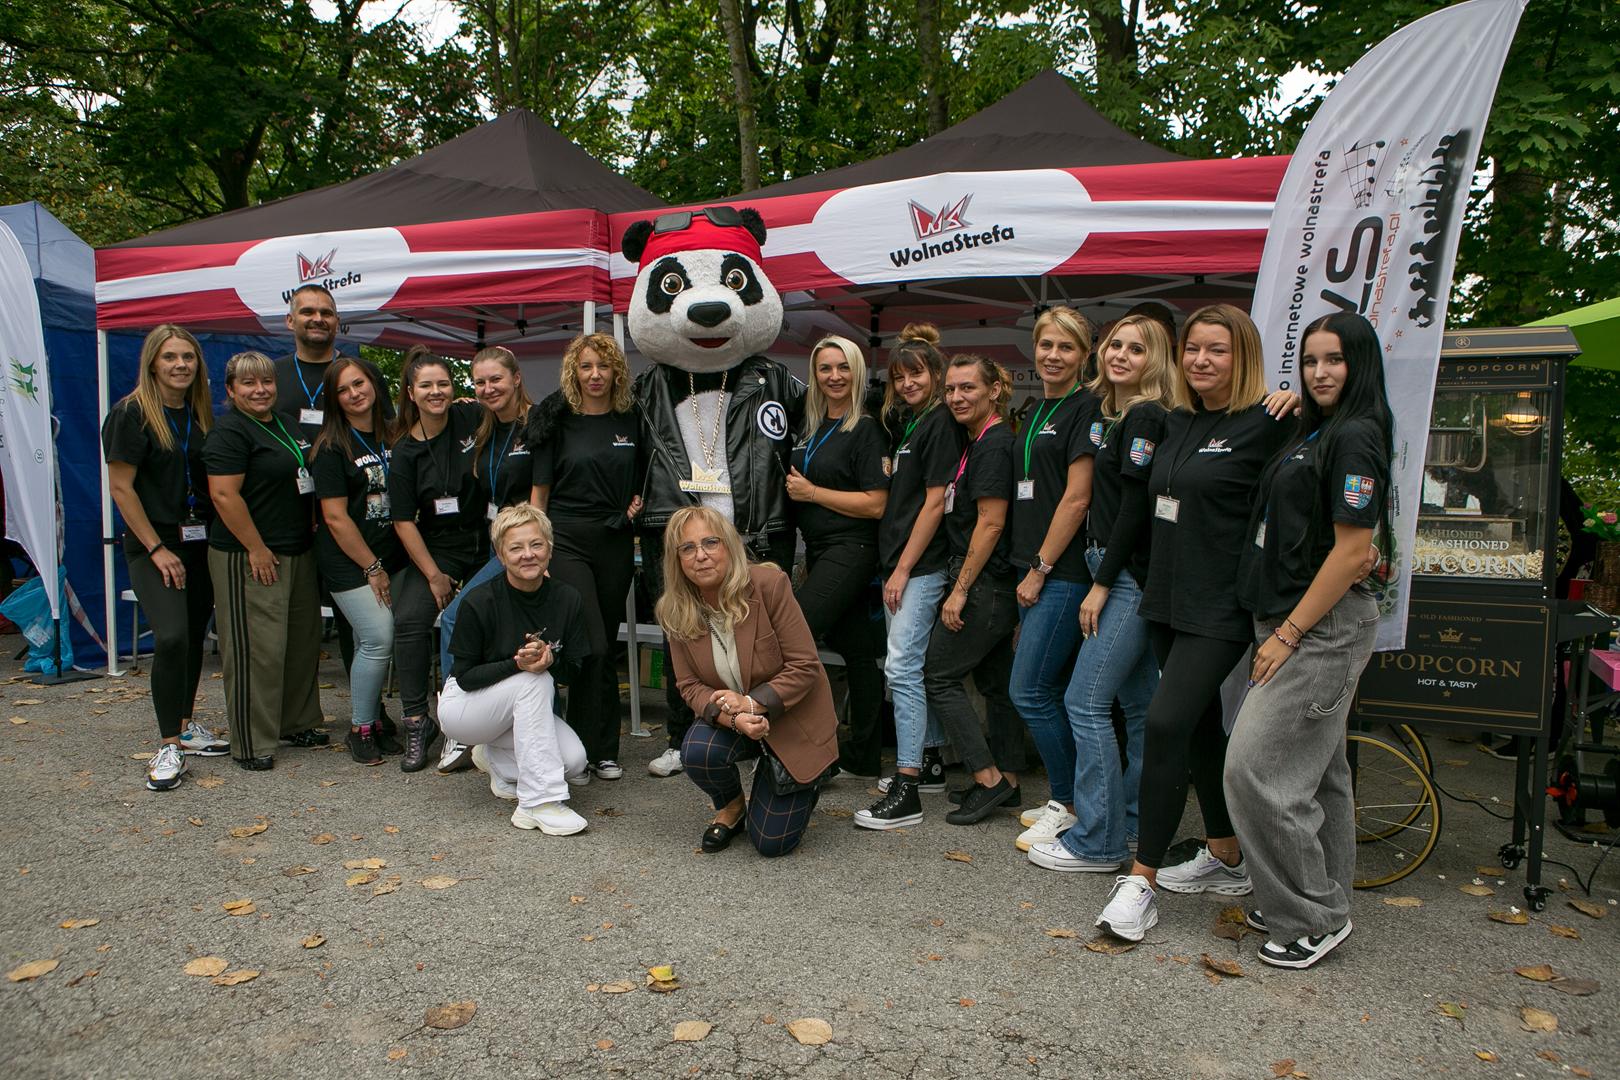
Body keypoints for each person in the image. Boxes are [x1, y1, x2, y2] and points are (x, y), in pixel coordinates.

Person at [1095, 304, 1296, 941]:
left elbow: (1315, 478)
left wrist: (1296, 402)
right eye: (1193, 349)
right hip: (1166, 598)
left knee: (1164, 723)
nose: (1202, 360)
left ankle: (1141, 881)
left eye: (1218, 350)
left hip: (1221, 606)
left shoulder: (1270, 422)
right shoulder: (1176, 420)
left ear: (1245, 357)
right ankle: (1226, 852)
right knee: (1202, 726)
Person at [1224, 312, 1392, 969]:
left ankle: (1310, 916)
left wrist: (1289, 634)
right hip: (1289, 618)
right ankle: (1315, 898)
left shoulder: (1356, 435)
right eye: (1312, 360)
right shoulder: (1321, 427)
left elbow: (1353, 553)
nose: (1320, 372)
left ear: (1360, 364)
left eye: (1335, 360)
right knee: (1321, 774)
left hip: (1317, 628)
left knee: (1255, 769)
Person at [1027, 314, 1172, 874]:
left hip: (1124, 573)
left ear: (1154, 360)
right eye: (1116, 345)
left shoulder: (1145, 414)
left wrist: (1103, 584)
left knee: (1084, 703)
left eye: (1136, 349)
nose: (1121, 356)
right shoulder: (1117, 414)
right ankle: (1129, 822)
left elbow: (1134, 510)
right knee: (1137, 707)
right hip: (1110, 565)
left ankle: (1097, 841)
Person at [660, 507, 837, 857]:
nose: (700, 555)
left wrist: (752, 704)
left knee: (771, 843)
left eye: (710, 543)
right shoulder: (675, 609)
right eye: (688, 548)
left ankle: (807, 778)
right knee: (697, 750)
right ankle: (732, 805)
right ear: (677, 560)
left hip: (792, 719)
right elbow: (689, 685)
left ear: (729, 546)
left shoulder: (769, 585)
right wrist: (734, 718)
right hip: (737, 719)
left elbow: (805, 666)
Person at [102, 324, 228, 790]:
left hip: (197, 542)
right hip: (154, 546)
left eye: (188, 357)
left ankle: (186, 724)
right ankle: (169, 744)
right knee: (172, 636)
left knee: (193, 635)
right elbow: (121, 488)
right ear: (152, 363)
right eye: (171, 357)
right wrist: (156, 548)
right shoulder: (130, 414)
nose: (180, 365)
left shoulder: (199, 415)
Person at [273, 283, 397, 747]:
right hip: (305, 527)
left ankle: (373, 718)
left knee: (362, 635)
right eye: (307, 311)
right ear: (291, 321)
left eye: (326, 311)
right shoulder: (276, 376)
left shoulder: (384, 422)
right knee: (309, 631)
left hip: (370, 537)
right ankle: (310, 721)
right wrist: (372, 566)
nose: (317, 318)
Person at [856, 326, 963, 829]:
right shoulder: (914, 422)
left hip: (919, 567)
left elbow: (936, 503)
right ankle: (931, 759)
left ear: (937, 374)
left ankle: (908, 784)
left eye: (916, 373)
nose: (906, 384)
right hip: (902, 563)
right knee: (910, 668)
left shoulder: (939, 423)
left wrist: (901, 569)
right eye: (899, 377)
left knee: (900, 669)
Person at [529, 334, 645, 783]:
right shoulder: (556, 420)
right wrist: (538, 550)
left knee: (605, 646)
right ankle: (580, 750)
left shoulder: (632, 419)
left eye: (604, 366)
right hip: (567, 542)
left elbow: (644, 477)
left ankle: (603, 752)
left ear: (617, 372)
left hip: (615, 542)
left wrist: (636, 503)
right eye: (586, 366)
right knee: (591, 645)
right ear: (573, 373)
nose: (595, 375)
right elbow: (539, 495)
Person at [1006, 307, 1100, 851]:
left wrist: (1040, 568)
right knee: (1050, 689)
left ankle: (1069, 803)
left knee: (1029, 691)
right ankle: (1068, 798)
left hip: (1060, 573)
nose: (1053, 356)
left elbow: (1078, 498)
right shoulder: (1040, 407)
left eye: (1066, 347)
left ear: (1084, 355)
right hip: (1033, 569)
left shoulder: (1086, 407)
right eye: (1046, 345)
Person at [203, 351, 325, 770]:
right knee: (258, 651)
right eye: (249, 383)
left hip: (297, 550)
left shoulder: (287, 424)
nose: (260, 390)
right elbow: (224, 495)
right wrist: (255, 547)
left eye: (267, 382)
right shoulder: (230, 432)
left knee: (299, 642)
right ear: (231, 389)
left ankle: (297, 721)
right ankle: (252, 740)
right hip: (250, 555)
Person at [438, 504, 592, 835]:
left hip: (513, 710)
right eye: (516, 548)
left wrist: (552, 662)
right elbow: (464, 677)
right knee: (532, 679)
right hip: (464, 709)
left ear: (550, 548)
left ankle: (495, 760)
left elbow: (575, 672)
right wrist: (517, 664)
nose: (528, 555)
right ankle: (539, 803)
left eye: (536, 545)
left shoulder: (568, 598)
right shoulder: (479, 600)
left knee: (573, 761)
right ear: (500, 554)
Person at [926, 354, 1027, 826]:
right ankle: (1008, 779)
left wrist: (960, 589)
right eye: (950, 389)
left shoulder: (992, 445)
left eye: (967, 388)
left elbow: (991, 523)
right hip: (996, 586)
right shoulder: (980, 442)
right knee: (995, 684)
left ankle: (987, 780)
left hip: (985, 586)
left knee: (938, 676)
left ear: (994, 390)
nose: (956, 397)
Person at [785, 335, 890, 778]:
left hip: (852, 549)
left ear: (857, 372)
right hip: (821, 549)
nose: (834, 376)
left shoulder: (865, 429)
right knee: (857, 652)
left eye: (843, 367)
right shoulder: (811, 425)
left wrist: (812, 493)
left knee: (794, 635)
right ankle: (862, 755)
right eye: (825, 368)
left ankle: (807, 749)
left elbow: (876, 504)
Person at [434, 346, 535, 772]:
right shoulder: (482, 425)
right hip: (493, 542)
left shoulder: (537, 424)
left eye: (496, 379)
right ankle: (473, 722)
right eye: (480, 382)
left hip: (523, 544)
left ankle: (458, 723)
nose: (488, 388)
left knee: (456, 617)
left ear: (516, 378)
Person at [388, 347, 487, 771]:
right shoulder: (404, 452)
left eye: (443, 384)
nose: (436, 392)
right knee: (409, 620)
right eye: (426, 385)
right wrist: (433, 575)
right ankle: (417, 720)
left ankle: (477, 716)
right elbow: (402, 521)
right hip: (437, 549)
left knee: (479, 618)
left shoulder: (471, 416)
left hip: (485, 540)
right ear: (411, 393)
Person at [311, 358, 407, 766]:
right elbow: (335, 518)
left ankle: (378, 721)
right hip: (349, 561)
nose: (354, 394)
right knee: (377, 637)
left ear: (373, 384)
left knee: (385, 638)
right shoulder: (331, 447)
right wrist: (372, 567)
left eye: (359, 383)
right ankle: (361, 728)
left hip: (391, 555)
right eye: (343, 390)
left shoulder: (394, 432)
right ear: (334, 400)